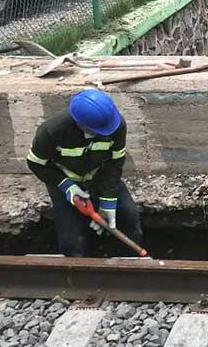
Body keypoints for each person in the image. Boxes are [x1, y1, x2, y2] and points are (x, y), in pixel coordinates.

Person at [26, 89, 143, 257]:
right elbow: (35, 163)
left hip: (100, 178)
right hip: (65, 181)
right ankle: (77, 275)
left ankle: (131, 266)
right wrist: (67, 186)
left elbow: (114, 164)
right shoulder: (52, 131)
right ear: (81, 125)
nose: (108, 133)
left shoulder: (116, 125)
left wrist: (108, 202)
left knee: (129, 218)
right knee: (72, 240)